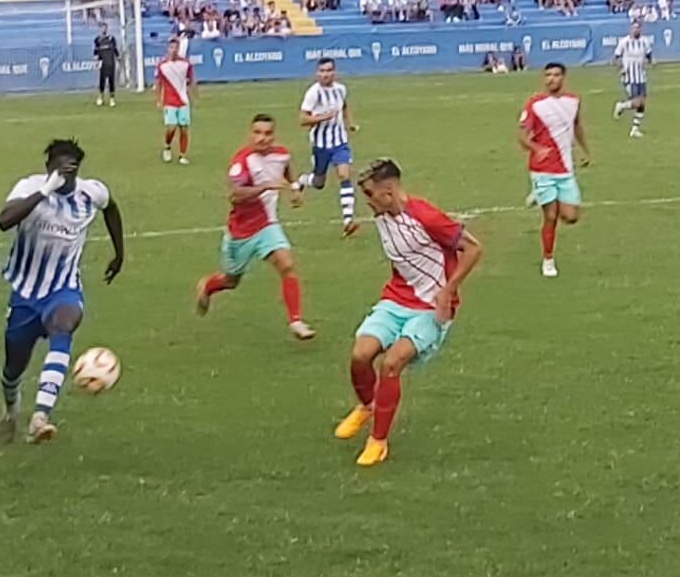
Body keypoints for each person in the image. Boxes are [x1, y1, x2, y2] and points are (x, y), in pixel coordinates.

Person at [333, 159, 483, 467]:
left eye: (371, 195)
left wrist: (448, 289)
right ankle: (367, 406)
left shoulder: (426, 216)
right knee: (360, 355)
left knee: (391, 363)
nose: (368, 202)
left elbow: (473, 248)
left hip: (430, 306)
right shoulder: (382, 212)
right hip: (396, 298)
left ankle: (378, 441)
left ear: (389, 192)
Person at [0, 139, 125, 444]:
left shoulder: (91, 192)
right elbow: (4, 220)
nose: (67, 173)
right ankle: (10, 409)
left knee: (64, 324)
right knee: (14, 367)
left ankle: (40, 417)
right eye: (60, 167)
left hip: (63, 289)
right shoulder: (30, 187)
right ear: (49, 167)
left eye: (72, 168)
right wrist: (45, 190)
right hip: (25, 294)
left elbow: (112, 208)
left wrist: (119, 254)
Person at [194, 114, 315, 340]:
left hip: (267, 225)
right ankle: (207, 286)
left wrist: (295, 189)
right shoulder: (242, 161)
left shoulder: (281, 154)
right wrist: (266, 186)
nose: (262, 138)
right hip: (240, 232)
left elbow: (287, 169)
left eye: (268, 133)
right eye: (257, 133)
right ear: (250, 134)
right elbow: (235, 195)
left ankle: (296, 321)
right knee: (231, 280)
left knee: (287, 265)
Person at [519, 63, 590, 278]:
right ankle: (548, 260)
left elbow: (577, 126)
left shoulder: (573, 101)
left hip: (566, 169)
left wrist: (585, 150)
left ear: (563, 78)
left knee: (570, 217)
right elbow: (521, 136)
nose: (552, 79)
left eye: (556, 75)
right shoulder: (534, 104)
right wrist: (536, 148)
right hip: (542, 169)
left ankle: (539, 194)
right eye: (548, 75)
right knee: (550, 216)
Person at [293, 58, 360, 236]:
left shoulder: (340, 89)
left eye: (329, 70)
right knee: (318, 182)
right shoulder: (313, 93)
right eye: (322, 71)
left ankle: (348, 220)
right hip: (321, 145)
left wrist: (350, 123)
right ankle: (301, 181)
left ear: (334, 72)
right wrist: (323, 117)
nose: (325, 74)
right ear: (317, 73)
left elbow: (344, 106)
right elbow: (302, 119)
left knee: (344, 175)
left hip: (340, 142)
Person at [611, 18, 655, 139]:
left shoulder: (645, 41)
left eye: (638, 27)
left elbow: (649, 54)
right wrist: (620, 69)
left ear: (641, 29)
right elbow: (616, 57)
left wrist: (652, 62)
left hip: (641, 76)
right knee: (637, 102)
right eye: (634, 27)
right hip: (629, 77)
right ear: (631, 29)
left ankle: (635, 130)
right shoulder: (624, 42)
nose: (636, 30)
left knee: (642, 104)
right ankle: (621, 106)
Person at [156, 36, 196, 165]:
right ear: (168, 48)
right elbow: (158, 83)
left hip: (183, 100)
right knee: (171, 127)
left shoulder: (185, 64)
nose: (173, 50)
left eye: (176, 47)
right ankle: (167, 146)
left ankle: (182, 155)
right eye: (171, 47)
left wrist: (194, 95)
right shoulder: (162, 65)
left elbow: (190, 79)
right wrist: (158, 99)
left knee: (184, 128)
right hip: (169, 101)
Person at [94, 22, 120, 107]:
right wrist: (96, 59)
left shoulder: (112, 38)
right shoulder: (97, 39)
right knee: (102, 81)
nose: (103, 29)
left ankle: (112, 99)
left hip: (111, 62)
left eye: (105, 28)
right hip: (103, 63)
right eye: (102, 28)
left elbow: (115, 49)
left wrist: (118, 57)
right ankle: (100, 97)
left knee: (111, 81)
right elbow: (96, 51)